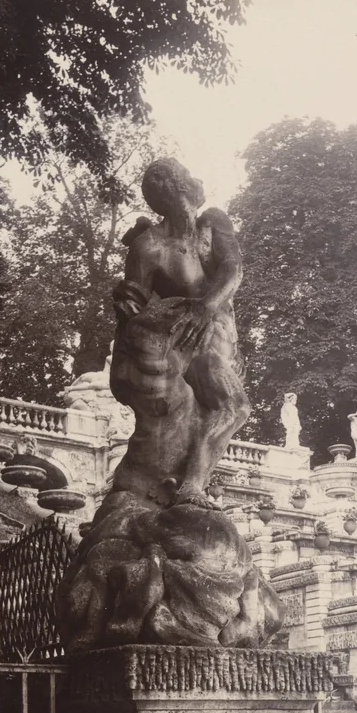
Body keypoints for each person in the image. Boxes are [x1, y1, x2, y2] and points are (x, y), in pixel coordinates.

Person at [109, 158, 250, 508]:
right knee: (235, 408)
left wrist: (205, 306)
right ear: (176, 187)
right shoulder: (147, 247)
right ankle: (192, 487)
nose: (197, 178)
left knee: (201, 418)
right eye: (188, 174)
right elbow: (134, 307)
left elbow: (233, 270)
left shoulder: (212, 224)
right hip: (192, 346)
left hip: (219, 339)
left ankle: (176, 483)